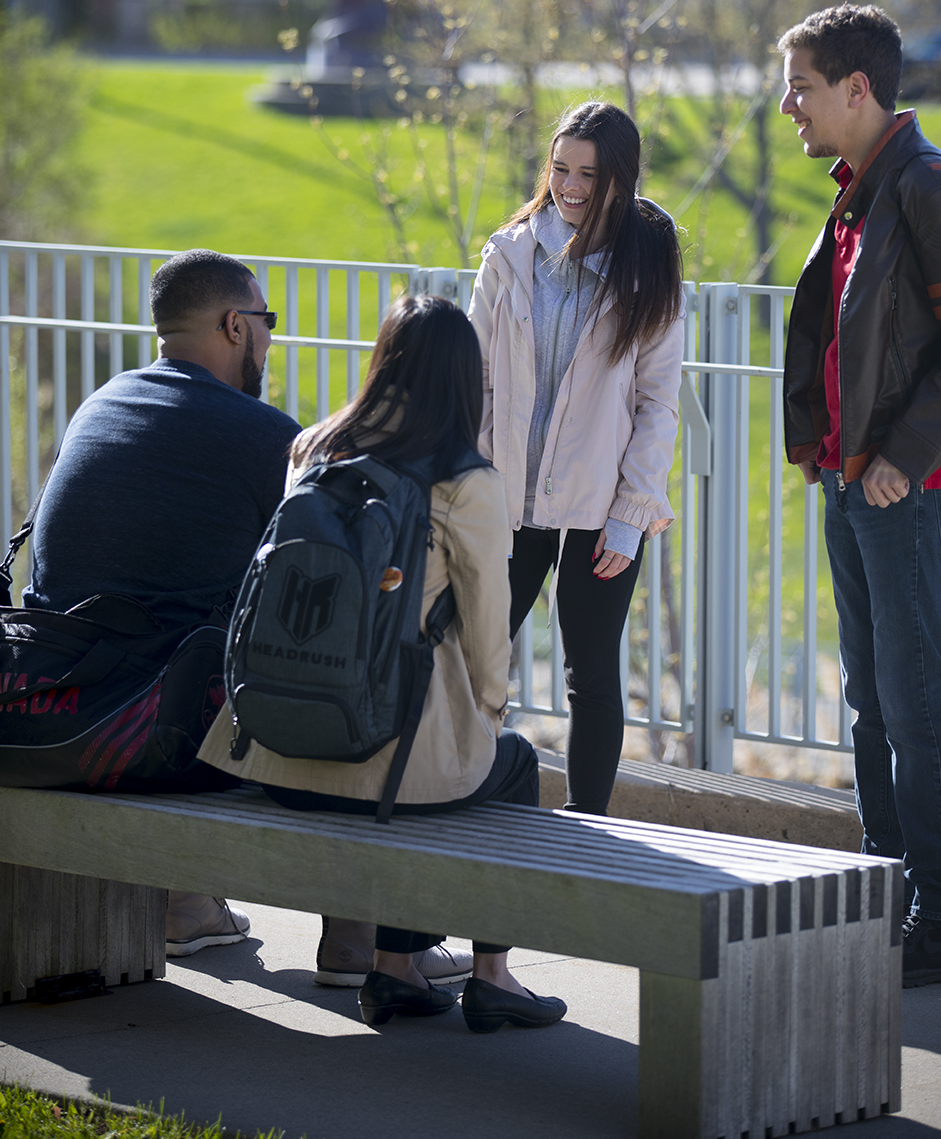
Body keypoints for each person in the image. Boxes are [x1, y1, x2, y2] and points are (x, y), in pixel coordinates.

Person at [200, 294, 567, 1034]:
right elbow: (487, 627)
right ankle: (492, 975)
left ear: (383, 362)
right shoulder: (465, 478)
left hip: (276, 757)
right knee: (511, 765)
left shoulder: (311, 450)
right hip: (379, 769)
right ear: (467, 382)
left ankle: (397, 971)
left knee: (434, 768)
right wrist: (486, 714)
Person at [778, 3, 941, 988]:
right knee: (871, 698)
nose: (786, 105)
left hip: (904, 487)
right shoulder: (861, 191)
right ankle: (887, 895)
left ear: (855, 88)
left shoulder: (928, 191)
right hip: (852, 475)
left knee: (915, 702)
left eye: (798, 86)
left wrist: (899, 458)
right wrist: (826, 449)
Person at [23, 247, 301, 957]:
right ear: (236, 325)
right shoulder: (264, 437)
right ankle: (370, 944)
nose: (268, 337)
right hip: (155, 740)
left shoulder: (101, 405)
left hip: (47, 708)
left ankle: (188, 900)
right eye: (266, 321)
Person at [469, 101, 685, 816]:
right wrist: (464, 488)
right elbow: (476, 380)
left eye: (586, 174)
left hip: (599, 508)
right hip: (505, 501)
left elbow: (657, 404)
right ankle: (456, 794)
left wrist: (630, 516)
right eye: (560, 168)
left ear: (617, 180)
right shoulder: (509, 252)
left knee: (590, 676)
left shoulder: (647, 264)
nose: (568, 185)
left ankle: (585, 830)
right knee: (474, 660)